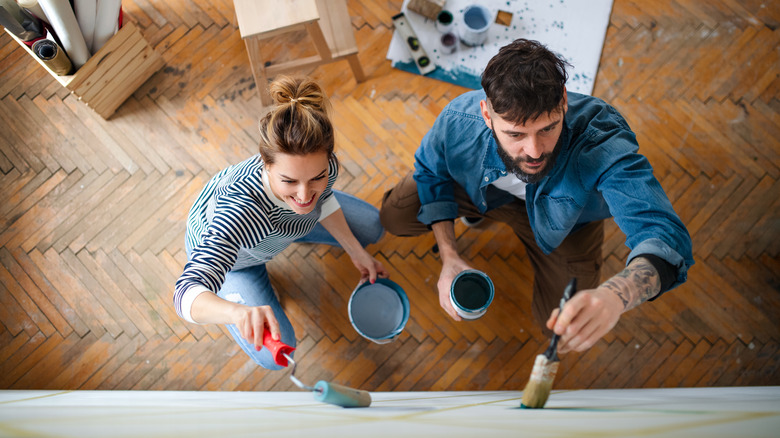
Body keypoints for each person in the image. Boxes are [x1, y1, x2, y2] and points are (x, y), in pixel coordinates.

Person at [379, 39, 693, 354]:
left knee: (560, 327)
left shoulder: (601, 138)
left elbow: (664, 235)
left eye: (547, 129)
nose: (534, 152)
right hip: (485, 193)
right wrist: (448, 254)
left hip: (568, 225)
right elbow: (432, 172)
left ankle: (484, 216)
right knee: (394, 215)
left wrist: (617, 294)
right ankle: (480, 211)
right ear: (486, 114)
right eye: (515, 134)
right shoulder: (460, 120)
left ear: (563, 102)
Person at [174, 75, 387, 369]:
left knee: (373, 227)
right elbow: (185, 294)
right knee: (277, 356)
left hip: (280, 230)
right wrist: (236, 313)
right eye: (289, 180)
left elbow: (321, 201)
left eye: (317, 177)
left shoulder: (324, 168)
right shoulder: (236, 212)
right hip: (240, 259)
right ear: (265, 163)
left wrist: (354, 250)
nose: (304, 195)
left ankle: (298, 229)